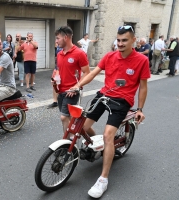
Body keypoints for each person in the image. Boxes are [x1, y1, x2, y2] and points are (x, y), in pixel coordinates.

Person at [71, 25, 150, 198]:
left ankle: (103, 179)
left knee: (108, 136)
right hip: (104, 95)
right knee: (81, 126)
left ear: (133, 40)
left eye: (124, 40)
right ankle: (100, 143)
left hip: (122, 101)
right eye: (118, 40)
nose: (120, 43)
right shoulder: (109, 56)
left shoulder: (141, 60)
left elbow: (143, 87)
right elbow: (92, 74)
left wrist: (140, 109)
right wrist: (78, 85)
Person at [54, 26, 90, 132]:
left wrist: (76, 87)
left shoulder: (79, 53)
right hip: (60, 92)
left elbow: (87, 73)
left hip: (71, 93)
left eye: (57, 38)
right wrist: (55, 80)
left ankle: (67, 144)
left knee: (64, 117)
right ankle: (89, 135)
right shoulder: (59, 53)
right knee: (70, 118)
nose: (56, 41)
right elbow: (59, 70)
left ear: (66, 37)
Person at [47, 42, 63, 109]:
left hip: (62, 70)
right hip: (56, 69)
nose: (56, 40)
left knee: (60, 85)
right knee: (54, 84)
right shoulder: (58, 46)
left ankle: (61, 101)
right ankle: (55, 101)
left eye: (58, 38)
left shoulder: (65, 47)